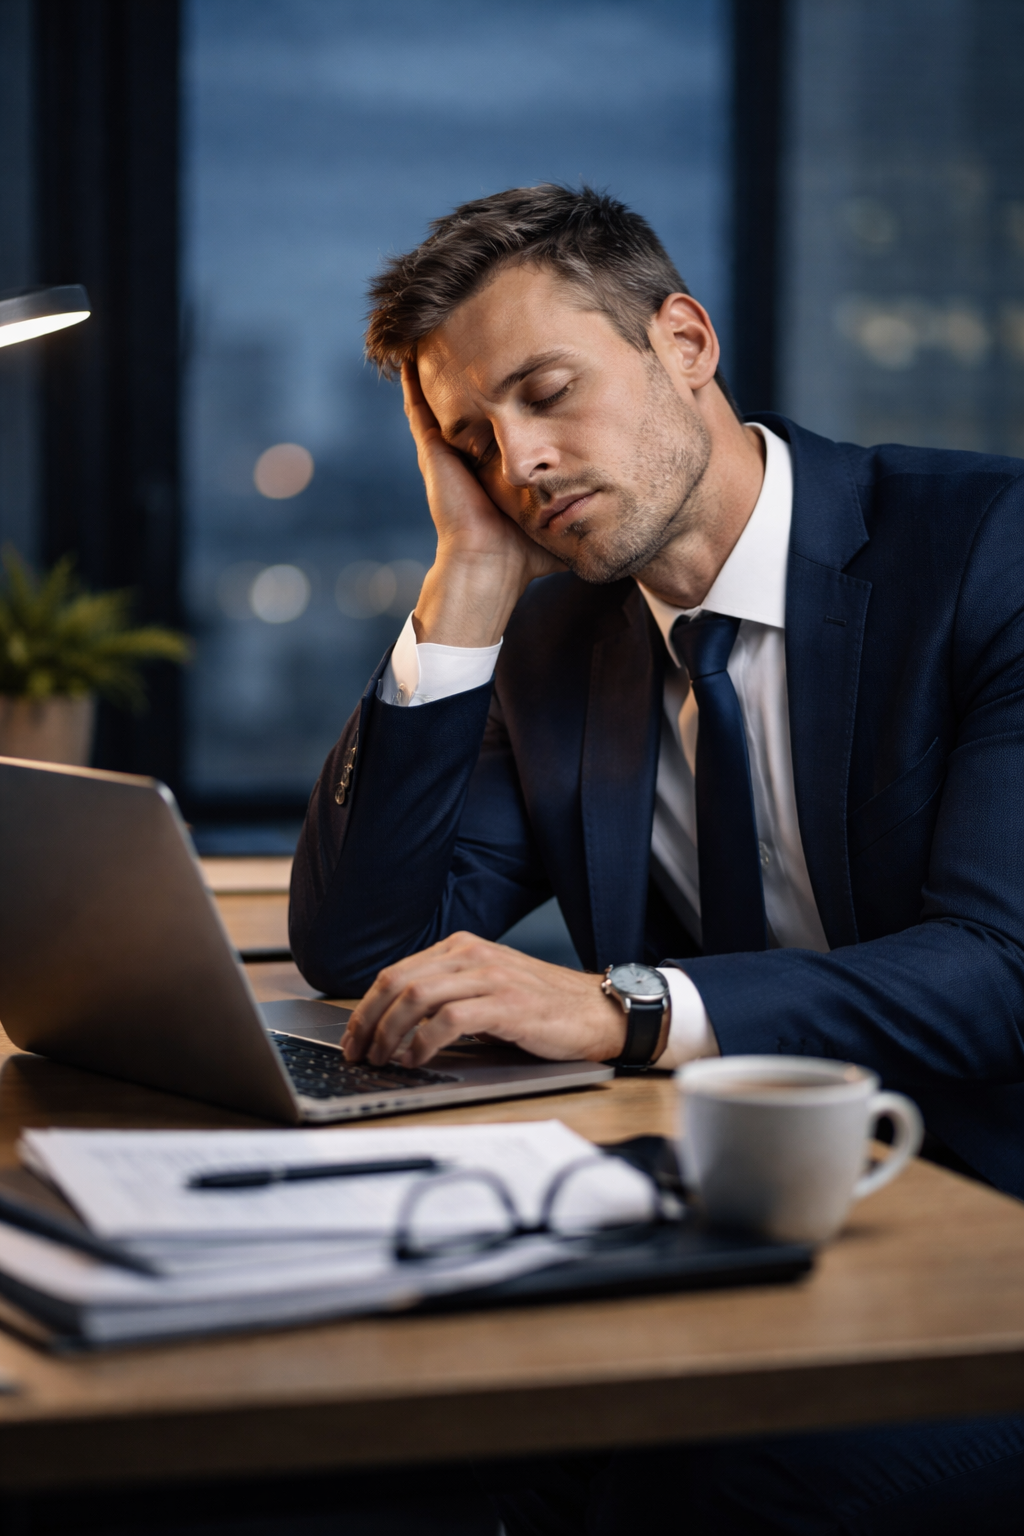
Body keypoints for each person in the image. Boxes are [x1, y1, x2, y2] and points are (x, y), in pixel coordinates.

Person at [289, 185, 1024, 1532]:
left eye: (547, 391)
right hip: (720, 1222)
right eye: (473, 439)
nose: (523, 463)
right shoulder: (563, 644)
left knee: (695, 1486)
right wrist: (464, 577)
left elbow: (999, 971)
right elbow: (357, 946)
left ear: (684, 339)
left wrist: (623, 1005)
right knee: (389, 1430)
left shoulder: (988, 552)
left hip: (987, 1223)